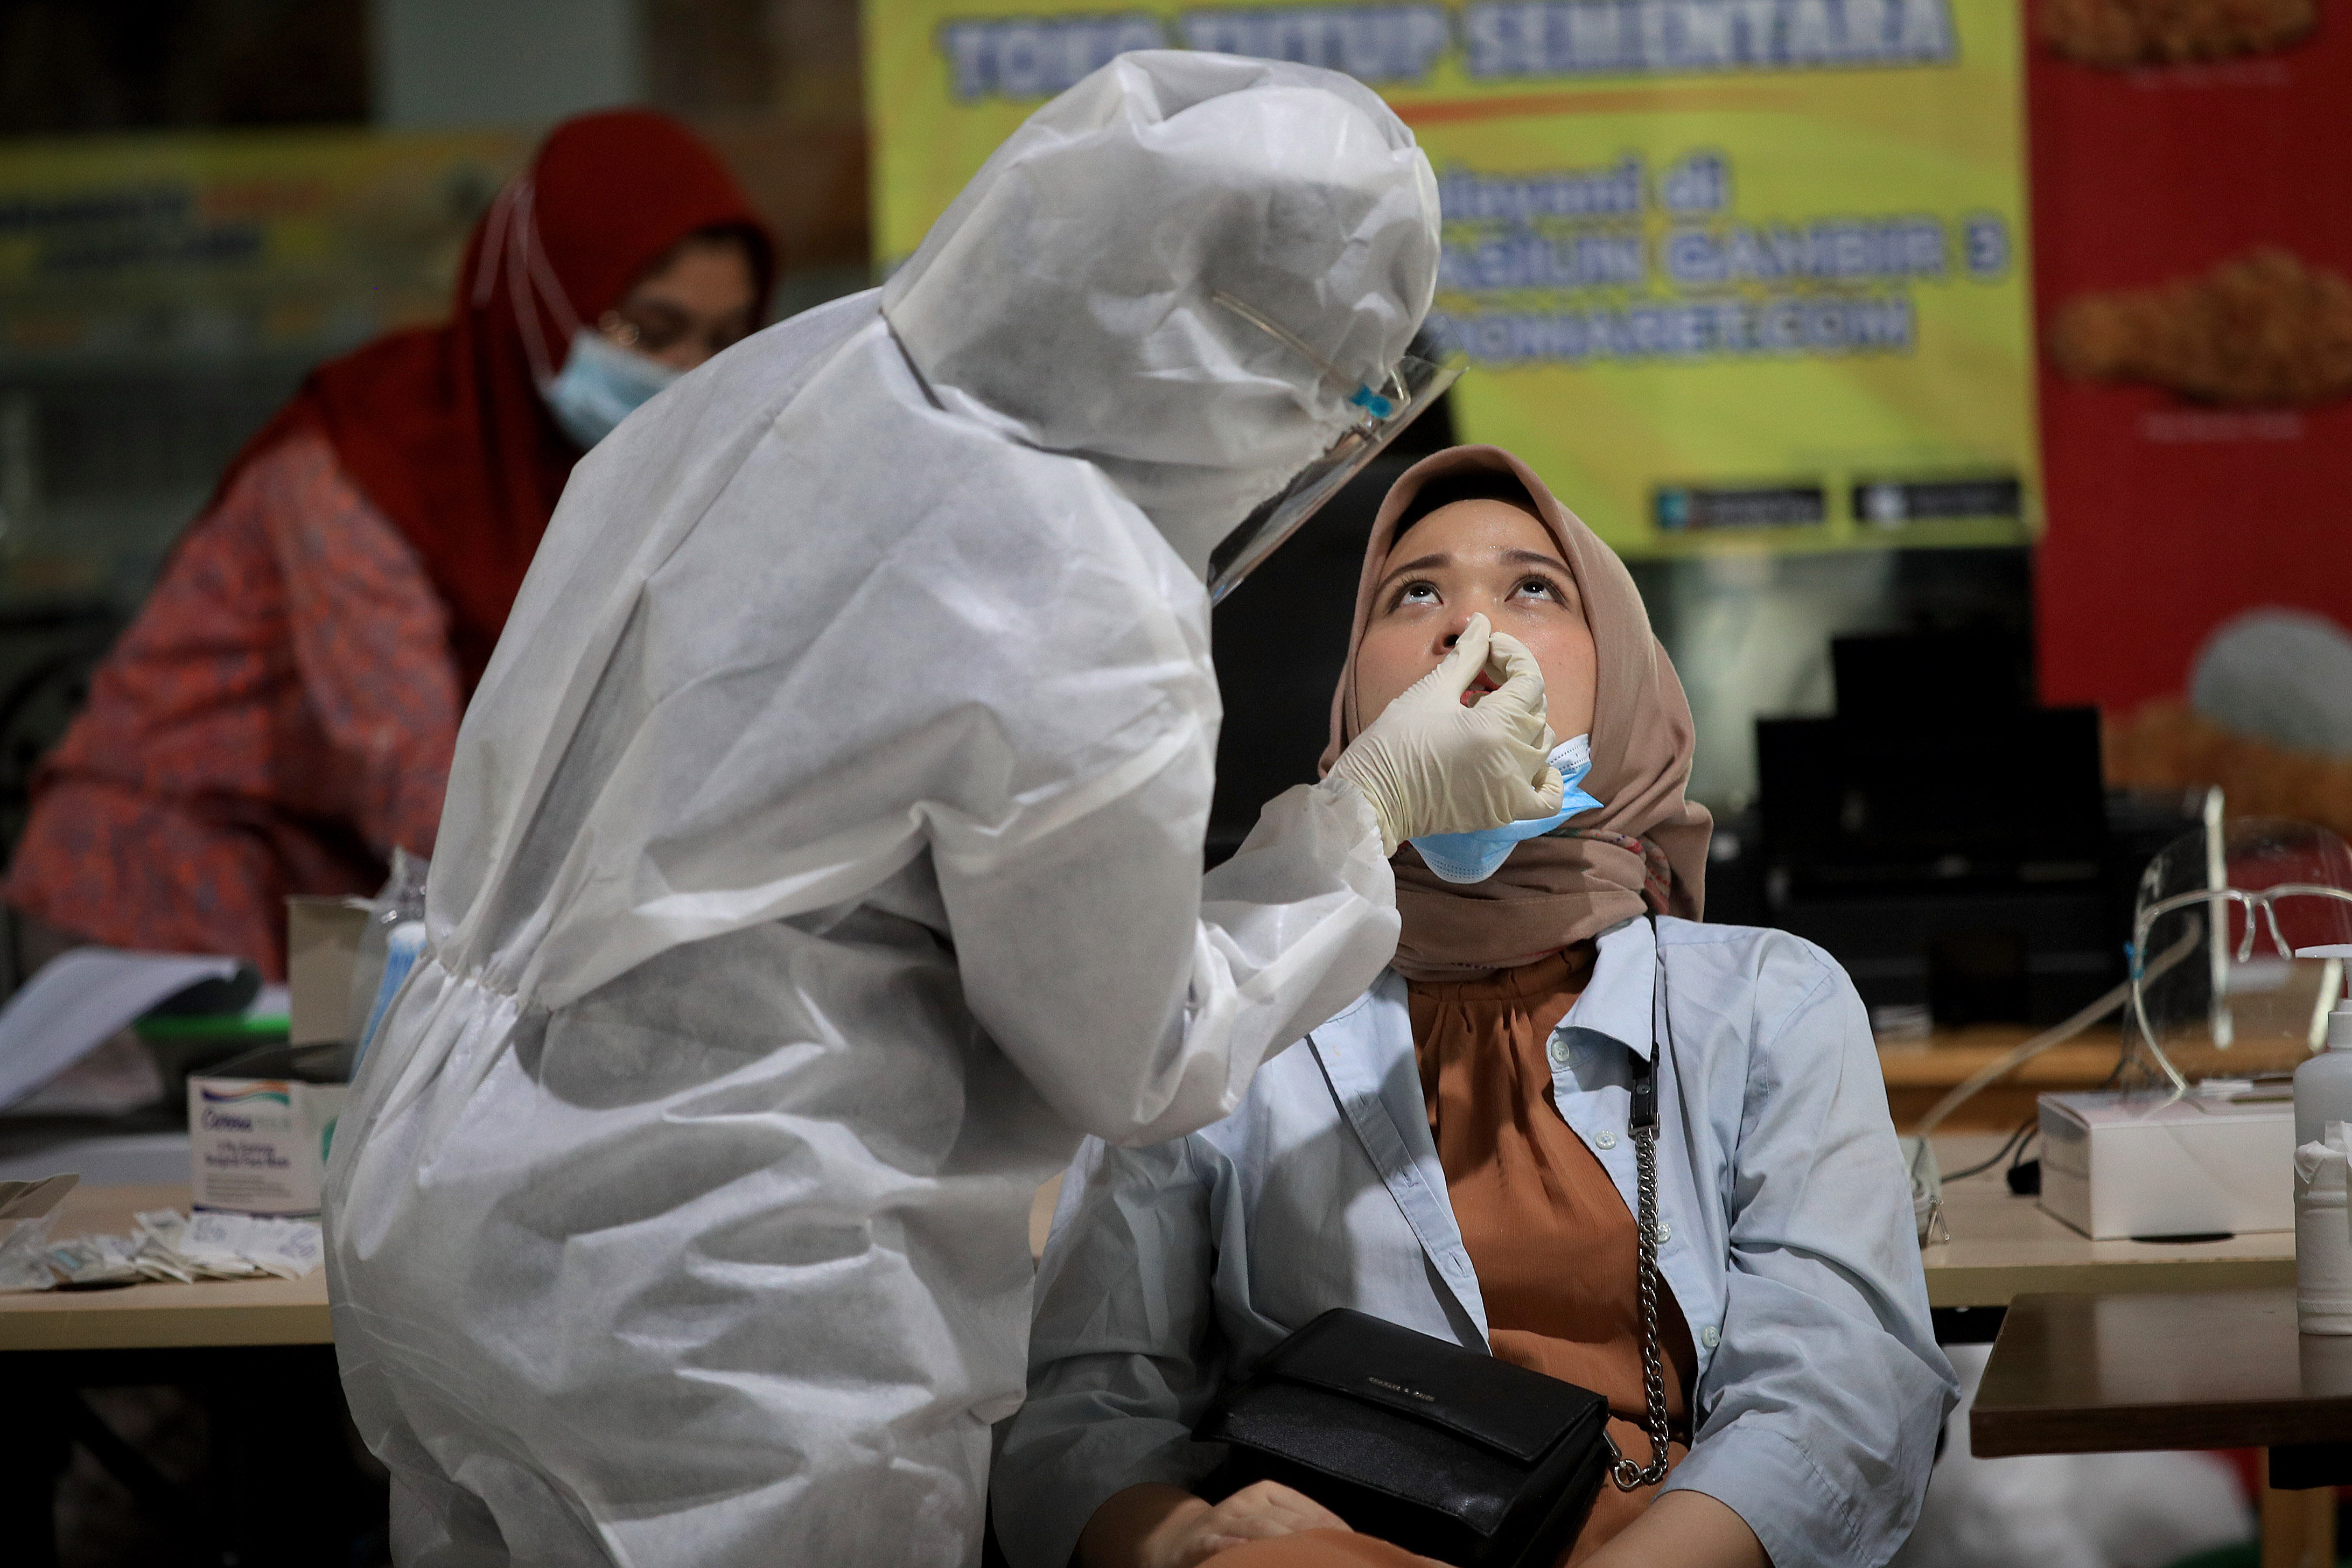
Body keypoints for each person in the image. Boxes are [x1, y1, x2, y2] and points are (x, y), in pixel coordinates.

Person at [325, 53, 1566, 1568]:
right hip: (715, 1298)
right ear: (1252, 355)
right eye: (1342, 396)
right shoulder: (1081, 574)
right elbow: (1142, 1050)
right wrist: (1368, 808)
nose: (1332, 441)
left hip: (448, 1202)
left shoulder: (777, 381)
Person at [992, 444, 1958, 1568]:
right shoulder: (1234, 1001)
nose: (1467, 629)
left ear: (1629, 675)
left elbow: (1838, 1403)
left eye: (1533, 588)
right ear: (1358, 694)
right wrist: (1187, 1541)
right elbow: (1084, 1405)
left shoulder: (1768, 1000)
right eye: (1416, 595)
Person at [4, 110, 773, 978]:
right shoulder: (367, 463)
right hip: (150, 909)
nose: (690, 375)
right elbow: (420, 790)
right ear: (544, 300)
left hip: (355, 917)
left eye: (726, 339)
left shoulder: (626, 484)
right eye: (646, 331)